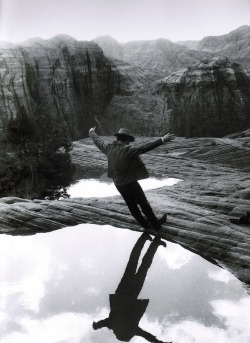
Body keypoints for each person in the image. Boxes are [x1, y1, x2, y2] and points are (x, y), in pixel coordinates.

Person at [89, 127, 175, 231]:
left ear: (118, 138)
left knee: (132, 206)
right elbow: (144, 148)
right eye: (129, 141)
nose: (129, 143)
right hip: (130, 183)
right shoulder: (127, 150)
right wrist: (162, 140)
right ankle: (156, 225)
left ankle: (145, 225)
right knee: (144, 204)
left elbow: (97, 140)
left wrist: (91, 132)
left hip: (118, 184)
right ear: (126, 140)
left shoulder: (108, 148)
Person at [93, 233, 172, 343]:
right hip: (127, 293)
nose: (115, 332)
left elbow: (146, 336)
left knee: (140, 266)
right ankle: (149, 240)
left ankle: (151, 241)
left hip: (127, 292)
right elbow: (101, 324)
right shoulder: (114, 325)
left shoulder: (128, 328)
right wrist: (96, 326)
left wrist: (159, 342)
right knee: (135, 263)